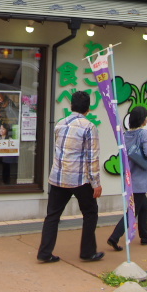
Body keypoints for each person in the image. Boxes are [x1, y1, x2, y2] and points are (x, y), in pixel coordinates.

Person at [37, 91, 104, 263]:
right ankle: (87, 252)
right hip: (80, 179)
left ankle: (45, 252)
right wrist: (96, 183)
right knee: (90, 213)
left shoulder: (60, 123)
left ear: (71, 106)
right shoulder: (89, 127)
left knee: (52, 216)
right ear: (88, 108)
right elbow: (92, 157)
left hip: (58, 177)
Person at [107, 106, 147, 250]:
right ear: (143, 120)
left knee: (143, 207)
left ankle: (145, 236)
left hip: (131, 176)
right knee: (133, 210)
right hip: (141, 179)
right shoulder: (143, 134)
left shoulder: (126, 134)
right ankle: (114, 237)